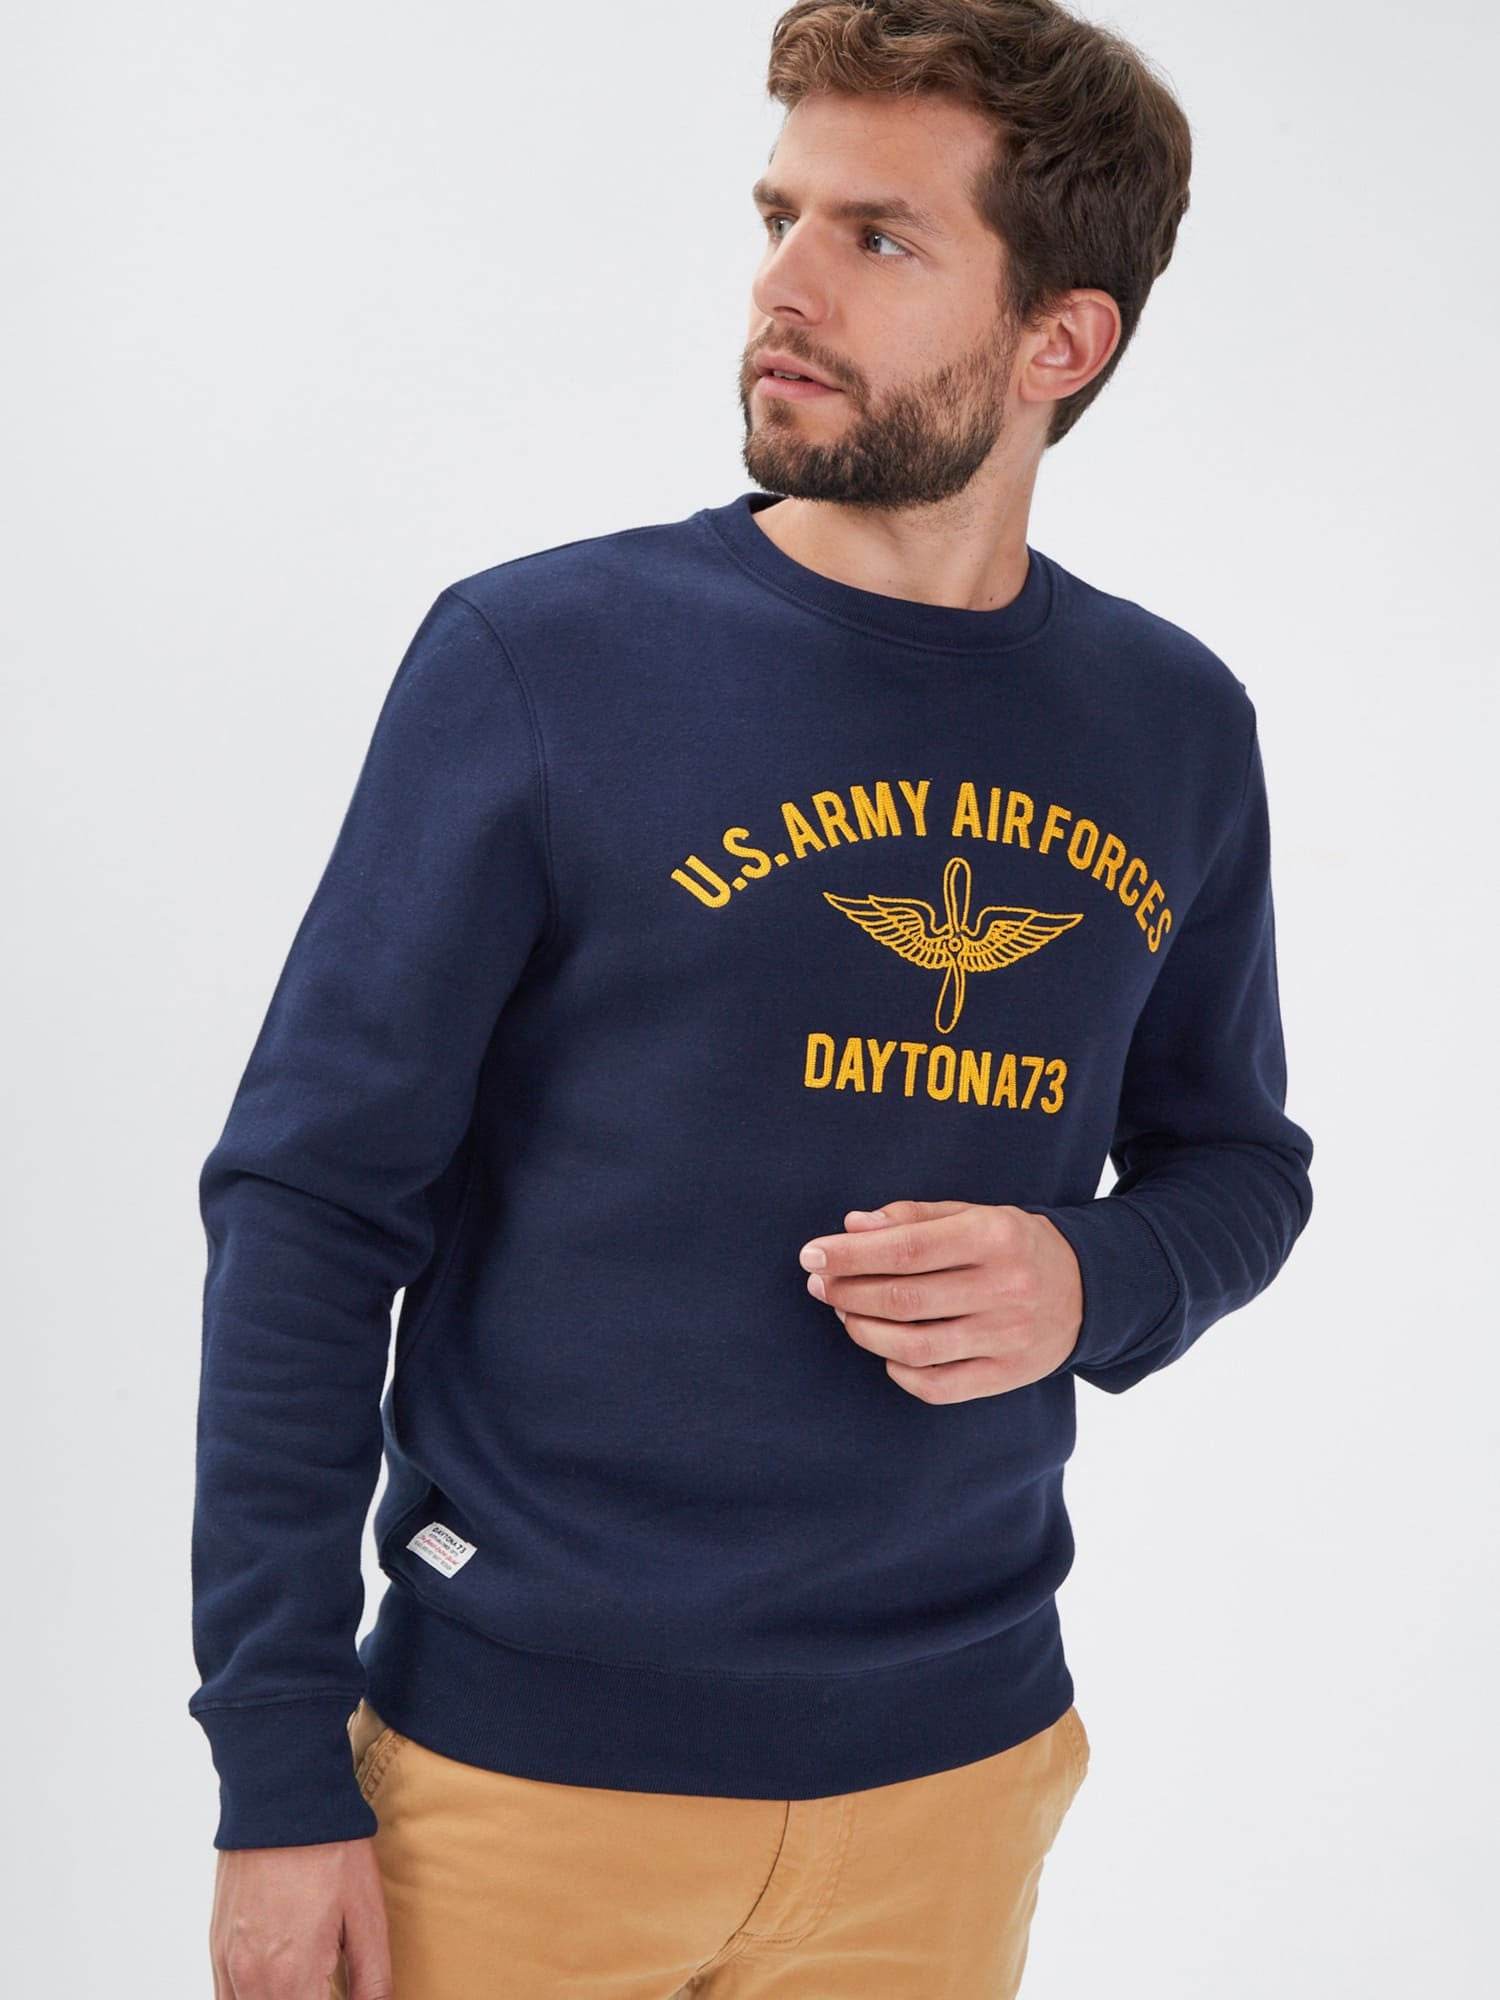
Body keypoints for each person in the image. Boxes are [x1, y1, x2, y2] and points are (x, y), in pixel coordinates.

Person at [189, 3, 1316, 1994]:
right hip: (517, 1787)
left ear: (1060, 339)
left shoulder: (1170, 725)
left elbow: (1238, 1161)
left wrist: (1090, 1280)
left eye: (879, 237)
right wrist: (277, 1773)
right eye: (781, 216)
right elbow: (309, 1208)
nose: (784, 286)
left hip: (957, 1779)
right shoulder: (543, 660)